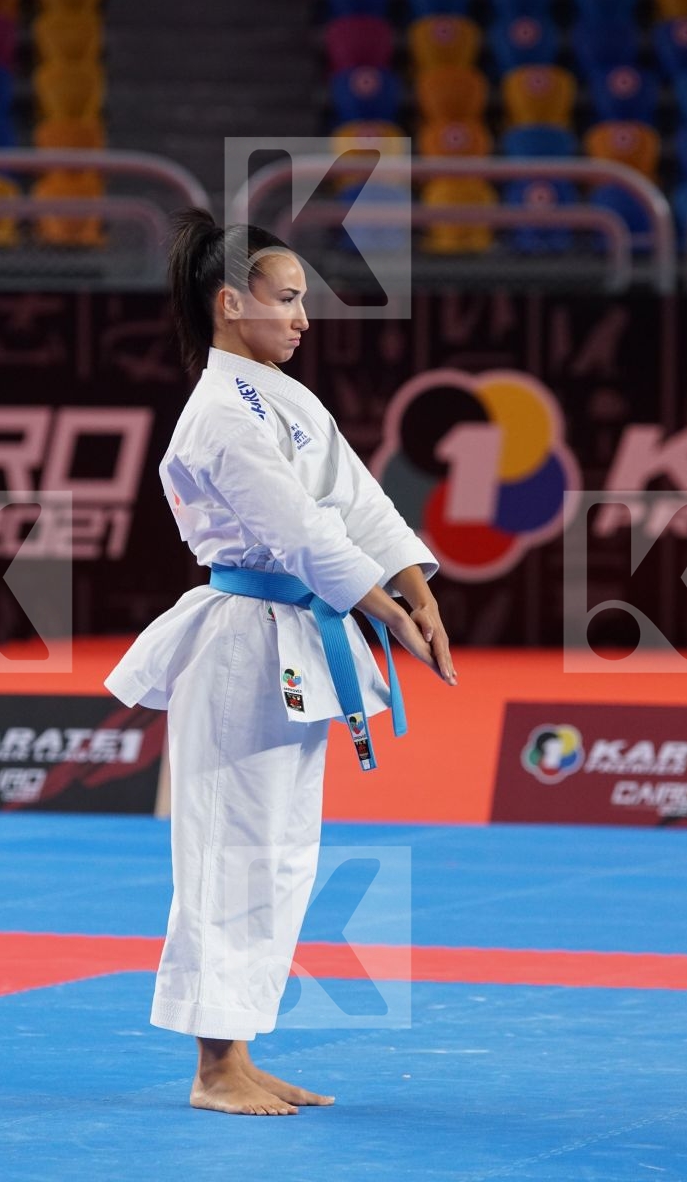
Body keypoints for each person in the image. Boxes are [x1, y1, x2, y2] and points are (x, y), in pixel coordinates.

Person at [104, 208, 457, 1116]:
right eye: (288, 298)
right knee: (227, 848)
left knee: (282, 853)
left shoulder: (284, 398)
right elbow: (299, 531)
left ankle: (240, 1050)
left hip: (292, 636)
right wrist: (383, 609)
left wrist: (414, 586)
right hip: (239, 639)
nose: (304, 318)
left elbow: (359, 500)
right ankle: (212, 1068)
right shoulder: (219, 414)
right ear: (231, 303)